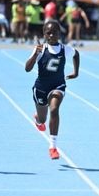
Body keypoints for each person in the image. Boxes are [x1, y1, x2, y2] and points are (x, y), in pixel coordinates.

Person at [24, 20, 80, 160]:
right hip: (41, 88)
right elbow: (27, 68)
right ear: (44, 34)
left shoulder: (65, 49)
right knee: (43, 118)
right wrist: (35, 55)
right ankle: (38, 119)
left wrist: (76, 72)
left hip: (58, 86)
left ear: (59, 34)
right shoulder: (40, 49)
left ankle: (53, 147)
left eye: (54, 32)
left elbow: (76, 54)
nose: (51, 35)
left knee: (54, 109)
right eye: (48, 33)